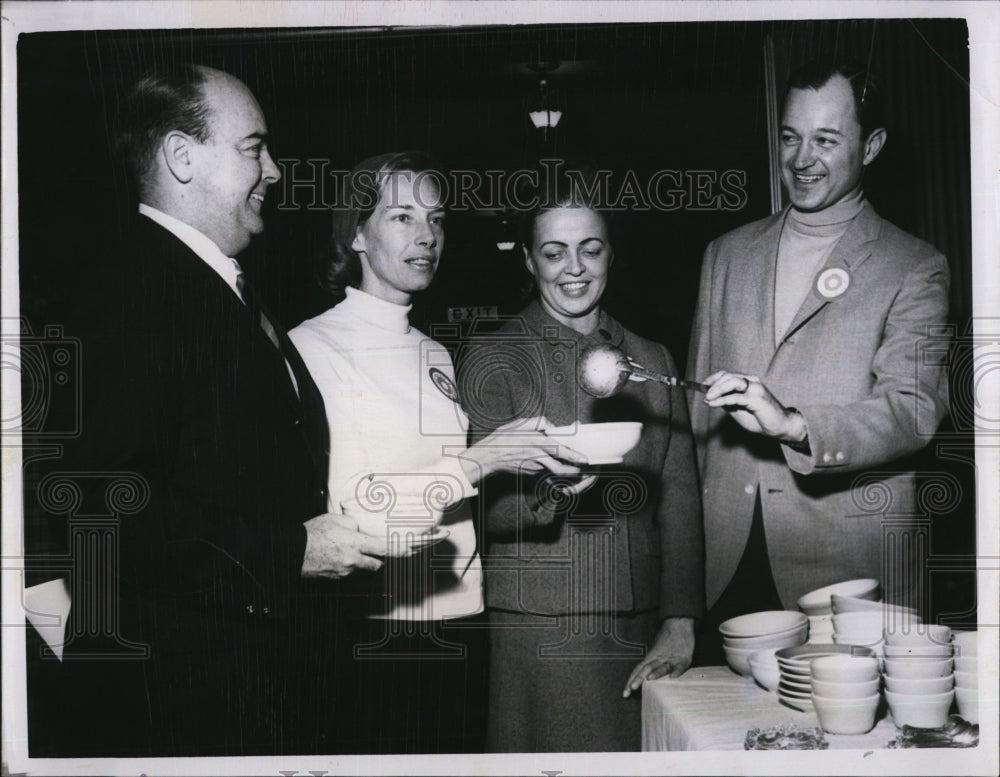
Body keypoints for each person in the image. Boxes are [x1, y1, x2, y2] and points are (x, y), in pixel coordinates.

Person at [22, 65, 404, 757]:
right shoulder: (130, 290)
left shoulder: (211, 283)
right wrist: (293, 551)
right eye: (254, 148)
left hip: (247, 677)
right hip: (182, 692)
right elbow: (99, 507)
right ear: (181, 156)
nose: (277, 171)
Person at [289, 151, 588, 753]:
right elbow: (359, 513)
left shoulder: (433, 352)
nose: (427, 236)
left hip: (460, 617)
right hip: (380, 631)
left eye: (437, 218)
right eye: (401, 217)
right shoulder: (311, 347)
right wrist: (484, 460)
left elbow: (452, 493)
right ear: (356, 232)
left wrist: (540, 471)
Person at [687, 58, 950, 665]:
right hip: (727, 566)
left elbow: (911, 411)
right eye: (790, 136)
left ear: (873, 145)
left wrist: (794, 425)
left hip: (847, 573)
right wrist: (681, 588)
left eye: (826, 140)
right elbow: (694, 418)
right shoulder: (725, 254)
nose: (802, 158)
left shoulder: (915, 265)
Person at [457, 172, 705, 752]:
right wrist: (555, 492)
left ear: (610, 254)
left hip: (637, 615)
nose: (574, 268)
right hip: (540, 616)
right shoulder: (494, 355)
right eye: (553, 252)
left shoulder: (651, 357)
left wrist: (681, 618)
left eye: (590, 249)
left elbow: (680, 494)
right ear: (527, 260)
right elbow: (487, 513)